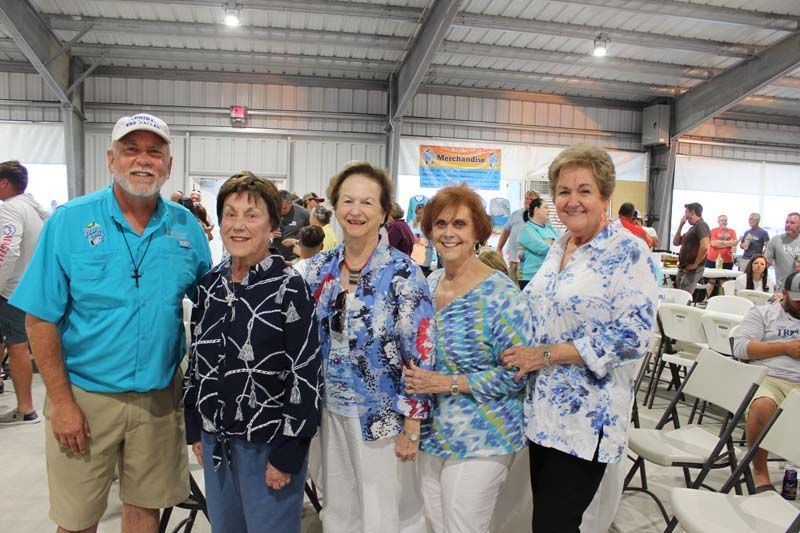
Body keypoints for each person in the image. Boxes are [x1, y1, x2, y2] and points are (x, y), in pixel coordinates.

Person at [9, 113, 212, 532]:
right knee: (78, 518)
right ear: (111, 159)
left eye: (154, 152)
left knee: (144, 511)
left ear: (169, 165)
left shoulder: (185, 227)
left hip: (158, 400)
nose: (143, 161)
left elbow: (212, 306)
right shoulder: (69, 222)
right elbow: (39, 320)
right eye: (130, 150)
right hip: (85, 398)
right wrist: (62, 403)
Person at [500, 144, 658, 532]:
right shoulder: (560, 246)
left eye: (584, 191)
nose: (573, 201)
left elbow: (632, 337)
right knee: (547, 521)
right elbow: (534, 310)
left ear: (605, 196)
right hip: (542, 414)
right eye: (564, 192)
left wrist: (546, 355)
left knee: (555, 524)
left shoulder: (629, 253)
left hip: (587, 422)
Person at [183, 172, 321, 532]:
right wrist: (195, 426)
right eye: (230, 214)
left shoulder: (289, 286)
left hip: (269, 445)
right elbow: (198, 360)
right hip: (216, 443)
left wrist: (289, 451)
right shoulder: (210, 285)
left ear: (272, 225)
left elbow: (306, 374)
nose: (239, 226)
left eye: (252, 215)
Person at [304, 161, 434, 533]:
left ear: (383, 212)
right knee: (338, 509)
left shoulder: (404, 274)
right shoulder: (320, 269)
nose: (355, 211)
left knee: (381, 515)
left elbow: (420, 353)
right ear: (335, 206)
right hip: (330, 415)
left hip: (383, 419)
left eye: (366, 202)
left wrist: (412, 426)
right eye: (347, 201)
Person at [404, 185, 533, 533]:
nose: (449, 233)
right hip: (434, 432)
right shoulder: (428, 285)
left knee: (462, 526)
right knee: (435, 522)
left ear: (479, 231)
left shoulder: (501, 294)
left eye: (460, 224)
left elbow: (517, 373)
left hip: (484, 435)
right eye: (441, 223)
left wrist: (449, 384)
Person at [732, 272, 800, 492]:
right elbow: (740, 347)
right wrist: (784, 347)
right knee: (762, 406)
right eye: (797, 300)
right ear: (785, 294)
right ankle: (760, 471)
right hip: (770, 379)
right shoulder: (763, 313)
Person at [0, 161, 48, 425]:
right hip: (25, 287)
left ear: (4, 183)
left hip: (10, 291)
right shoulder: (33, 208)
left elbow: (7, 249)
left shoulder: (11, 209)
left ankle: (26, 407)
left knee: (17, 346)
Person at [496, 190, 540, 284]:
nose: (527, 201)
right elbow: (506, 231)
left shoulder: (541, 217)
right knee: (512, 288)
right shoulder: (516, 214)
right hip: (513, 260)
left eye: (531, 199)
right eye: (526, 198)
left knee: (525, 289)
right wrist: (499, 248)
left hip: (529, 263)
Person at [518, 197, 559, 291]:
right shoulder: (527, 229)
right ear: (536, 209)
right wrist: (552, 243)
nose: (549, 211)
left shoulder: (549, 228)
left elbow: (563, 245)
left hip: (549, 276)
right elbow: (543, 249)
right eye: (546, 207)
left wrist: (550, 241)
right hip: (531, 277)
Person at [672, 202, 710, 297]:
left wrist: (695, 264)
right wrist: (681, 225)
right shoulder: (692, 229)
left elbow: (705, 246)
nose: (685, 215)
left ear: (692, 213)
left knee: (684, 296)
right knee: (680, 295)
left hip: (692, 269)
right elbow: (676, 242)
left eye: (686, 212)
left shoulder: (701, 225)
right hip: (685, 268)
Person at [272, 190, 310, 261]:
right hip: (273, 256)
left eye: (284, 208)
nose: (281, 211)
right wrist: (270, 233)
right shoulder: (270, 211)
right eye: (278, 208)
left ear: (291, 203)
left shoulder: (304, 214)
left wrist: (296, 241)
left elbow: (309, 235)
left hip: (294, 259)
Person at [766, 212, 800, 290]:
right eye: (787, 222)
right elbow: (766, 263)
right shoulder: (776, 240)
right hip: (782, 288)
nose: (788, 225)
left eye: (792, 223)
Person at [411, 203, 435, 277]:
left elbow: (433, 243)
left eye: (422, 213)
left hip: (425, 257)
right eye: (418, 213)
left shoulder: (430, 225)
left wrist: (420, 240)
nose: (420, 215)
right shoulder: (412, 224)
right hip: (414, 257)